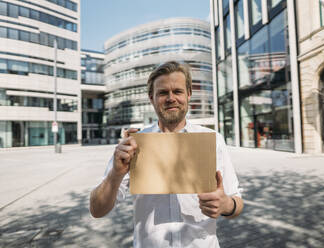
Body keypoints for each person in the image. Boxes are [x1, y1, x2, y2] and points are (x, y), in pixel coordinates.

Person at [90, 61, 243, 247]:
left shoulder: (213, 140)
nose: (171, 98)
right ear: (151, 98)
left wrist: (226, 204)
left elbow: (236, 202)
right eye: (163, 93)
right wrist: (116, 173)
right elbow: (96, 210)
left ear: (188, 94)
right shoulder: (134, 144)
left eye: (177, 91)